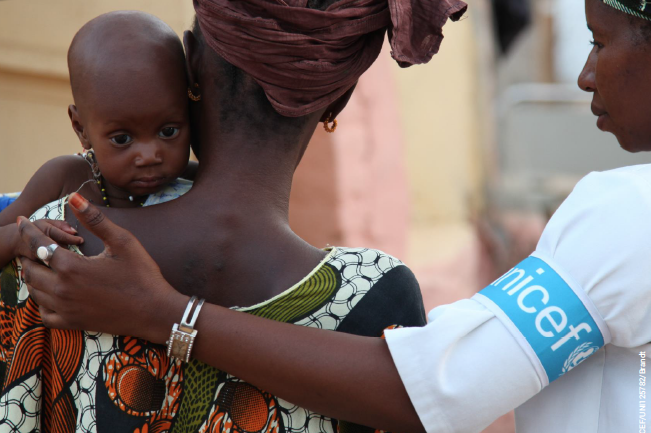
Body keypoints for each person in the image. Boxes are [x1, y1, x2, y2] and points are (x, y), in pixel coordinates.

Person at [12, 0, 651, 432]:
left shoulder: (53, 248)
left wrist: (163, 312)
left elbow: (436, 386)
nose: (585, 74)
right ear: (338, 96)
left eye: (599, 41)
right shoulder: (373, 296)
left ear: (191, 66)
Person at [0, 10, 195, 270]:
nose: (150, 155)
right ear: (81, 129)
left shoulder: (199, 181)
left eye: (168, 132)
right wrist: (19, 237)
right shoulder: (64, 178)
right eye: (123, 139)